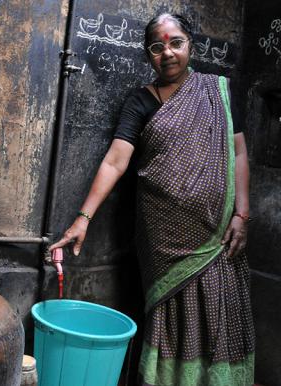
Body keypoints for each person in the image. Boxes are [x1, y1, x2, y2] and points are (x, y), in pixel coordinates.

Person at [48, 13, 255, 385]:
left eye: (176, 42)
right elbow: (115, 161)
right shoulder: (140, 102)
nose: (168, 53)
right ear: (148, 55)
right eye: (157, 47)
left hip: (219, 231)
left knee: (219, 307)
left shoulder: (218, 92)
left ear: (190, 44)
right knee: (173, 311)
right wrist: (82, 218)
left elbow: (238, 152)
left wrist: (242, 213)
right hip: (163, 237)